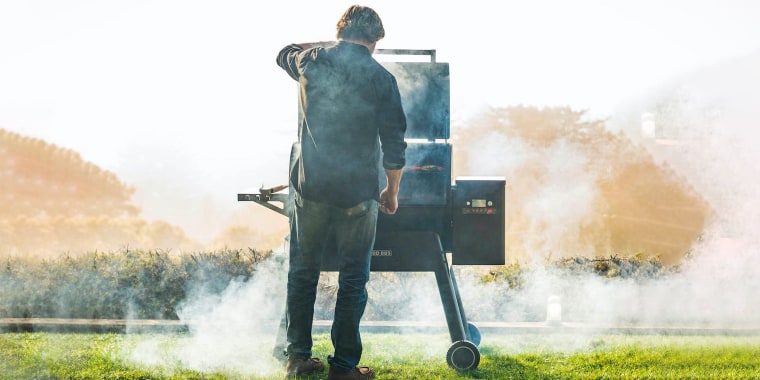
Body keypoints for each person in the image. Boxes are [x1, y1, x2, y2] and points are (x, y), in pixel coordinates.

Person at [275, 5, 407, 380]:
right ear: (375, 40)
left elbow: (284, 51)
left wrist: (330, 45)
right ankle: (344, 367)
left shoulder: (310, 61)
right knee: (352, 280)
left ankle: (297, 358)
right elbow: (395, 143)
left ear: (340, 32)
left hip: (311, 188)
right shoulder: (382, 79)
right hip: (358, 195)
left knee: (302, 273)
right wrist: (392, 190)